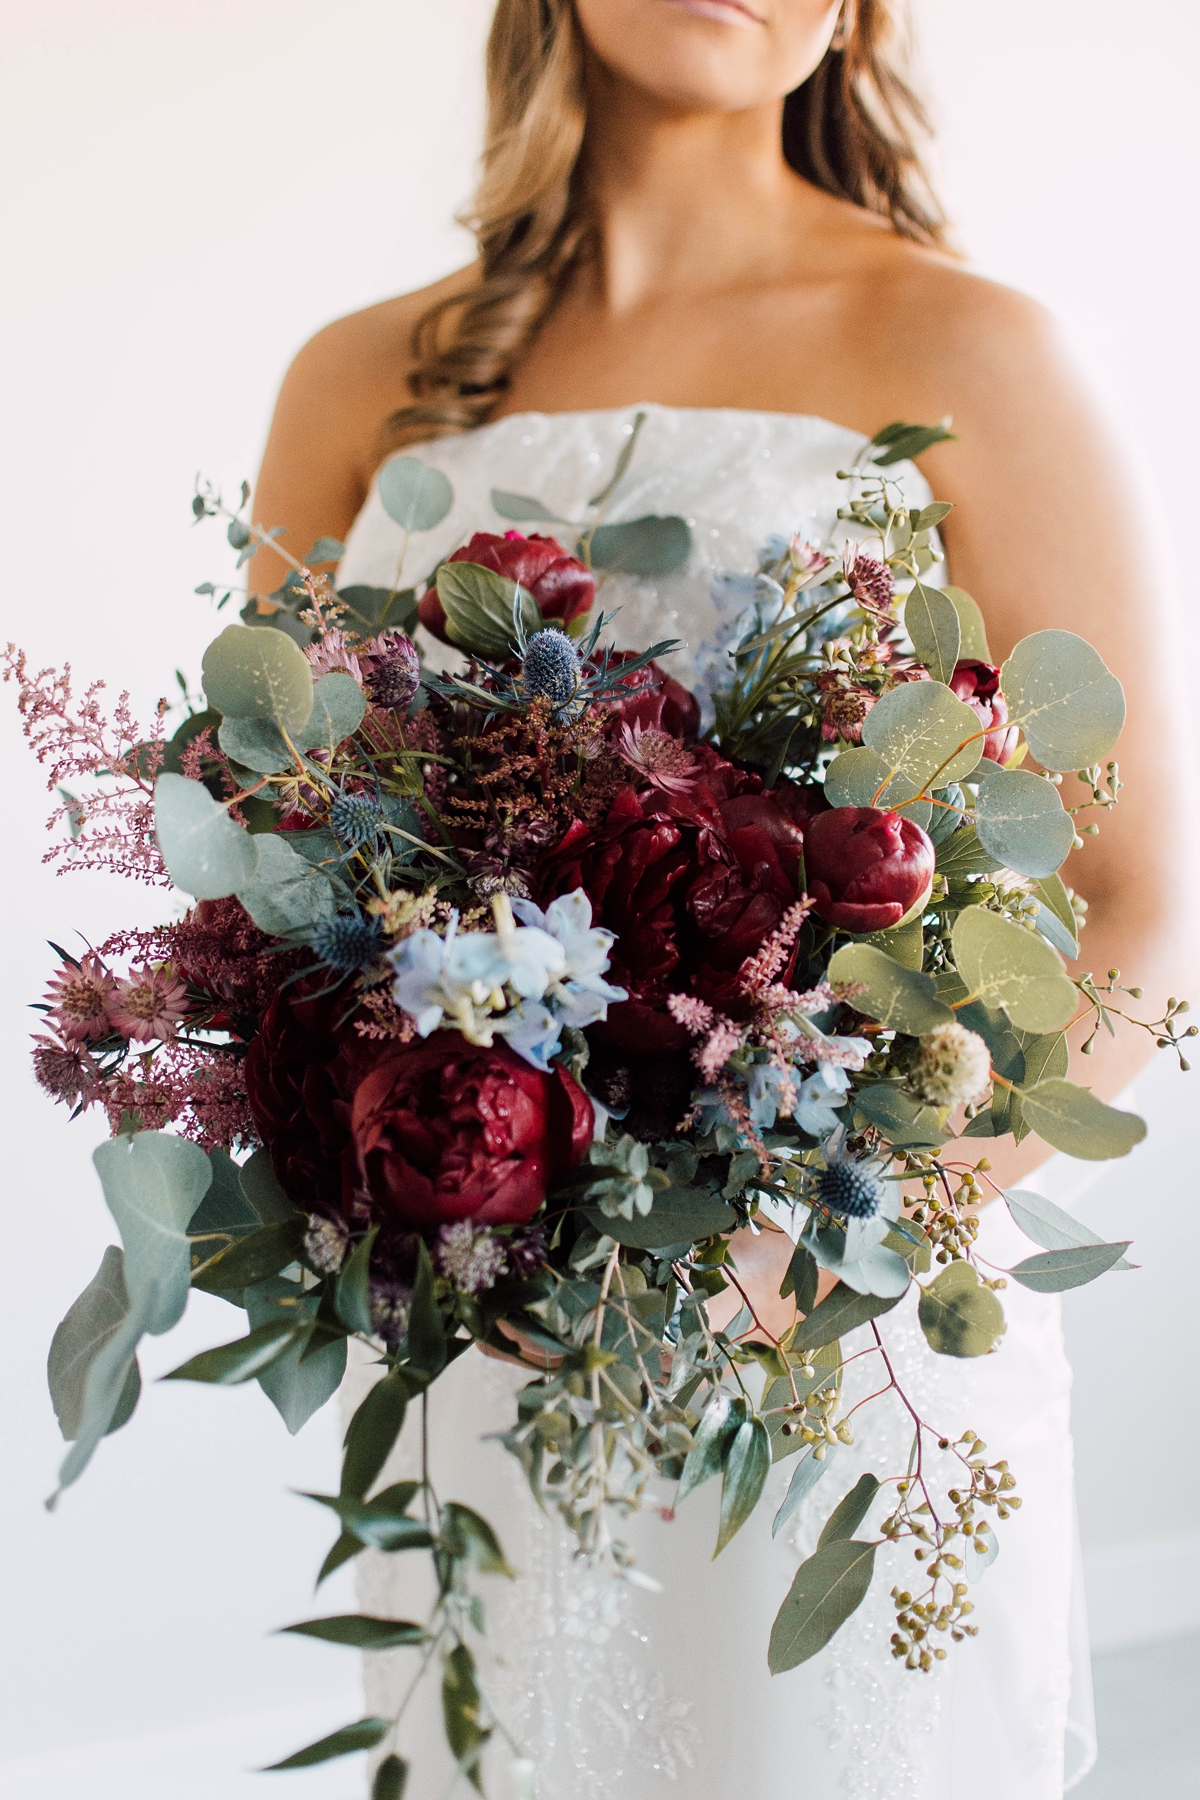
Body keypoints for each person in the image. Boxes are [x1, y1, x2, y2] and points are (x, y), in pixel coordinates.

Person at [250, 3, 1189, 1794]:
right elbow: (277, 861)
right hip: (483, 1322)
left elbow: (1143, 904)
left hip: (827, 1334)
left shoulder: (981, 357)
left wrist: (806, 1246)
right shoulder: (359, 381)